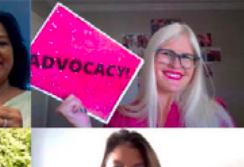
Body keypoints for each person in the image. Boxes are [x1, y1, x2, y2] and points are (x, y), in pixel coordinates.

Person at [57, 23, 235, 128]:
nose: (176, 65)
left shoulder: (217, 114)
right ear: (151, 58)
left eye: (187, 57)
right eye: (167, 54)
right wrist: (84, 127)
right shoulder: (121, 116)